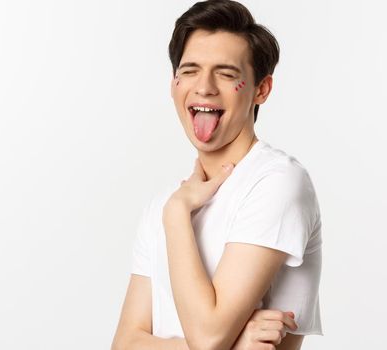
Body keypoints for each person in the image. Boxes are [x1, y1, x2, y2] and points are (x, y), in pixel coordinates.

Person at [111, 1, 323, 350]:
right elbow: (123, 344)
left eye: (225, 74)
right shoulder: (167, 202)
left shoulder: (276, 182)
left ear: (261, 89)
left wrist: (177, 216)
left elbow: (209, 337)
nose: (204, 87)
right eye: (190, 70)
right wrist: (237, 344)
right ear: (174, 83)